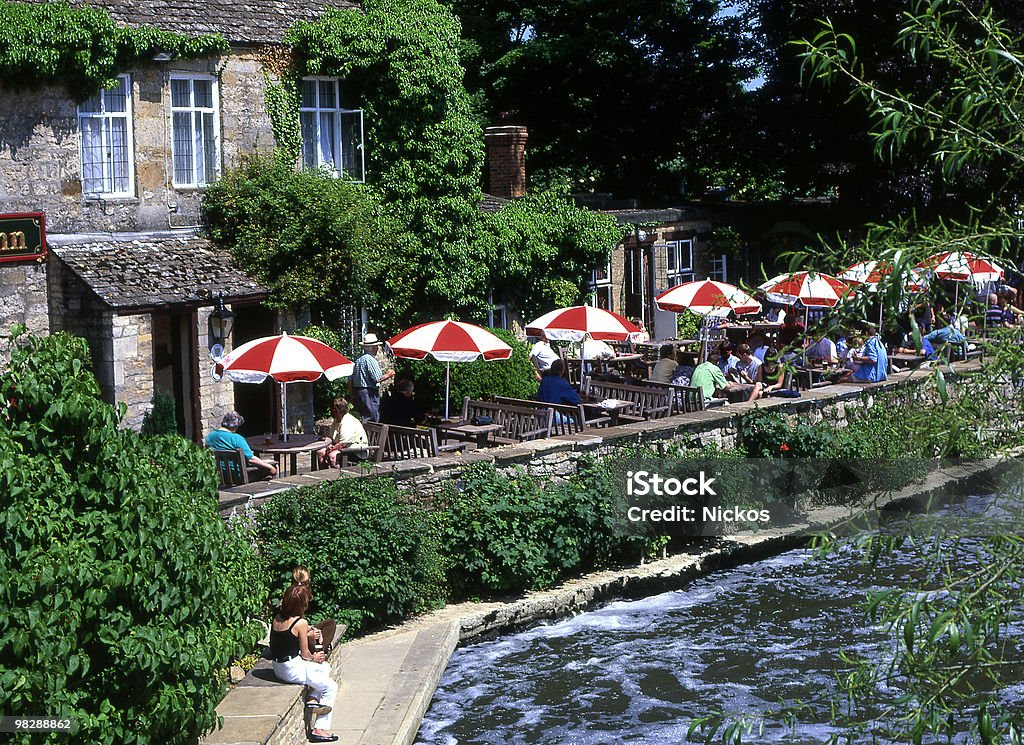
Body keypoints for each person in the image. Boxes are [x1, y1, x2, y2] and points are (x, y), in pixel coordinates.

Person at [270, 585, 339, 743]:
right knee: (330, 687)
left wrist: (309, 632)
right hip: (292, 669)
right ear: (301, 604)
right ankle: (319, 729)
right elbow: (306, 654)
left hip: (278, 667)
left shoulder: (278, 616)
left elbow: (286, 638)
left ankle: (313, 699)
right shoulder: (300, 622)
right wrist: (315, 657)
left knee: (325, 667)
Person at [205, 411, 277, 480]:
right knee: (272, 467)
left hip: (219, 476)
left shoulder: (210, 436)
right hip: (238, 477)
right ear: (235, 426)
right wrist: (270, 467)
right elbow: (251, 459)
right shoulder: (237, 438)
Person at [291, 567, 338, 659]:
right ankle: (320, 651)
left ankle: (320, 648)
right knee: (315, 637)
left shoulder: (294, 594)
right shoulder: (295, 597)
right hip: (294, 639)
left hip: (299, 631)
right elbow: (290, 627)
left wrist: (311, 629)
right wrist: (308, 635)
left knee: (330, 623)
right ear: (308, 581)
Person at [351, 333, 395, 421]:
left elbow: (350, 380)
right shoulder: (370, 360)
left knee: (365, 416)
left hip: (359, 392)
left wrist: (352, 394)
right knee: (372, 418)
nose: (378, 348)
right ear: (372, 347)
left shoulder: (359, 360)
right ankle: (371, 435)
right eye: (376, 346)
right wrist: (389, 374)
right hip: (368, 392)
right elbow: (377, 378)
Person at [317, 397, 369, 468]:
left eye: (333, 409)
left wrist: (331, 449)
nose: (332, 411)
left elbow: (343, 444)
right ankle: (324, 475)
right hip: (344, 447)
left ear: (336, 410)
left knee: (332, 456)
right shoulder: (337, 420)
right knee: (321, 452)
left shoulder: (347, 421)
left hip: (356, 451)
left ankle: (336, 477)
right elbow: (331, 437)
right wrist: (329, 446)